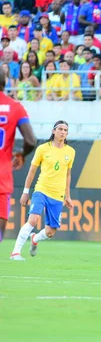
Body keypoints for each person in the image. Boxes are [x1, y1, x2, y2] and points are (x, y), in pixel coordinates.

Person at [10, 121, 74, 260]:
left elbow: (68, 174)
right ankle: (15, 252)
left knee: (50, 232)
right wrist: (26, 191)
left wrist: (67, 196)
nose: (63, 132)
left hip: (58, 194)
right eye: (60, 129)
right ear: (53, 131)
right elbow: (32, 171)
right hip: (42, 190)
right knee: (33, 220)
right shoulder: (43, 149)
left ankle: (35, 239)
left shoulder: (70, 151)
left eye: (65, 130)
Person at [0, 68, 36, 246]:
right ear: (5, 82)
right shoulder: (15, 107)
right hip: (2, 174)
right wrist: (22, 154)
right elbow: (31, 140)